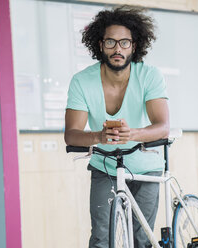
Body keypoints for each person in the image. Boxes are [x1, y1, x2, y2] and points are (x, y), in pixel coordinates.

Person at [64, 5, 169, 248]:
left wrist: (133, 134)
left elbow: (162, 126)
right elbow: (71, 135)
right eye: (110, 42)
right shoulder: (81, 82)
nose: (117, 49)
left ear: (134, 45)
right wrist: (99, 136)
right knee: (101, 239)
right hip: (105, 165)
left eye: (124, 42)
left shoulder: (150, 75)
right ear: (100, 45)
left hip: (146, 167)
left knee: (142, 239)